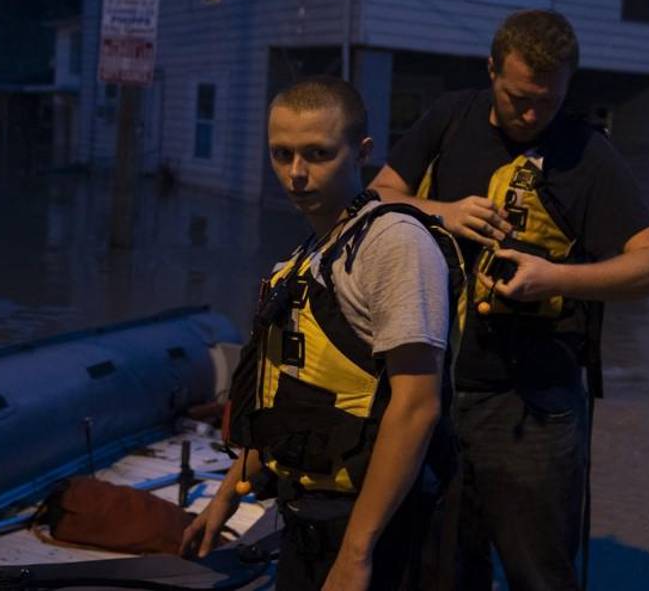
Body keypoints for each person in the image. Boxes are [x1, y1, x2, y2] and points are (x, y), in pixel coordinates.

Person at [369, 9, 649, 591]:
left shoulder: (588, 154)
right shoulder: (449, 118)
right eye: (518, 98)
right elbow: (377, 195)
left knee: (539, 574)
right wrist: (442, 213)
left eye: (548, 101)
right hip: (433, 391)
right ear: (491, 70)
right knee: (441, 569)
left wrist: (553, 278)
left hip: (534, 406)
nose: (533, 115)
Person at [182, 77, 467, 591]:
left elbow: (417, 405)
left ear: (362, 152)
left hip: (379, 532)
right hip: (307, 521)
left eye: (317, 154)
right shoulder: (302, 259)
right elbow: (292, 399)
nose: (296, 173)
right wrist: (225, 496)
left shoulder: (394, 244)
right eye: (282, 154)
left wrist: (357, 553)